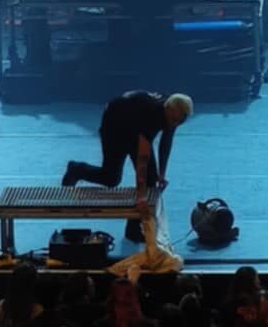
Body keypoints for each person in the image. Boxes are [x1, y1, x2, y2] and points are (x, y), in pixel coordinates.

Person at [61, 90, 194, 242]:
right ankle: (76, 169)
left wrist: (161, 174)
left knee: (151, 183)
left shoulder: (174, 113)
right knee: (111, 178)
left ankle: (133, 229)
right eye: (174, 119)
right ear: (168, 109)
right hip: (115, 125)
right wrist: (145, 187)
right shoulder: (152, 115)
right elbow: (142, 158)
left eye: (179, 121)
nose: (175, 123)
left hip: (135, 124)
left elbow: (166, 141)